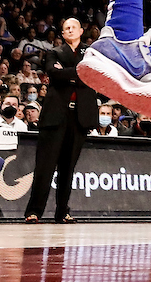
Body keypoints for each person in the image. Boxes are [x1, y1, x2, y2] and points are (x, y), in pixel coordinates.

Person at [23, 18, 99, 223]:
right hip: (56, 116)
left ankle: (62, 211)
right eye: (66, 28)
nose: (70, 30)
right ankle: (34, 211)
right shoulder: (54, 52)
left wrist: (70, 73)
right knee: (45, 166)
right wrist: (81, 73)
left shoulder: (92, 53)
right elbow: (54, 74)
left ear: (81, 31)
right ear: (63, 34)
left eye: (74, 27)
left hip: (79, 117)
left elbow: (95, 75)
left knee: (68, 167)